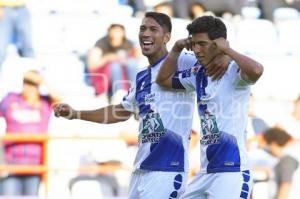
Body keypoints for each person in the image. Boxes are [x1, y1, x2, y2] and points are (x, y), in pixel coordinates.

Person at [54, 12, 229, 199]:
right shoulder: (142, 76)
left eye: (153, 29)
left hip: (167, 169)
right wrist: (75, 114)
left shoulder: (182, 61)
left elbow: (212, 55)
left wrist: (225, 56)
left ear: (166, 37)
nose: (145, 33)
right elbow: (121, 111)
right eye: (142, 28)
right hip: (141, 169)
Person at [156, 15, 264, 199]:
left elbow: (257, 70)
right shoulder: (197, 74)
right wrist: (176, 48)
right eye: (194, 44)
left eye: (202, 44)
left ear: (218, 44)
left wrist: (228, 52)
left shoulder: (234, 72)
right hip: (206, 172)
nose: (197, 50)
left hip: (232, 171)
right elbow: (163, 79)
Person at [0, 70, 60, 196]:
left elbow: (60, 101)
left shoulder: (45, 102)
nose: (29, 87)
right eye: (27, 83)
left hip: (35, 165)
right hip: (11, 164)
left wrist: (42, 81)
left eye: (34, 84)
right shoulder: (11, 99)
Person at [86, 23, 138, 103]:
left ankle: (135, 91)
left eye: (119, 31)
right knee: (115, 65)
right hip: (106, 77)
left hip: (125, 73)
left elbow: (138, 56)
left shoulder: (128, 43)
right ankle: (119, 92)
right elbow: (92, 65)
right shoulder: (101, 43)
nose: (117, 34)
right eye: (115, 31)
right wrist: (108, 57)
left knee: (132, 63)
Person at [260, 127, 299, 199]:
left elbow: (285, 186)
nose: (267, 148)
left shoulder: (287, 160)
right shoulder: (286, 159)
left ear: (273, 144)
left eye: (267, 145)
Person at [0, 0, 34, 69]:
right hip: (3, 8)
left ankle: (32, 77)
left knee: (28, 47)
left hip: (22, 8)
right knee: (1, 48)